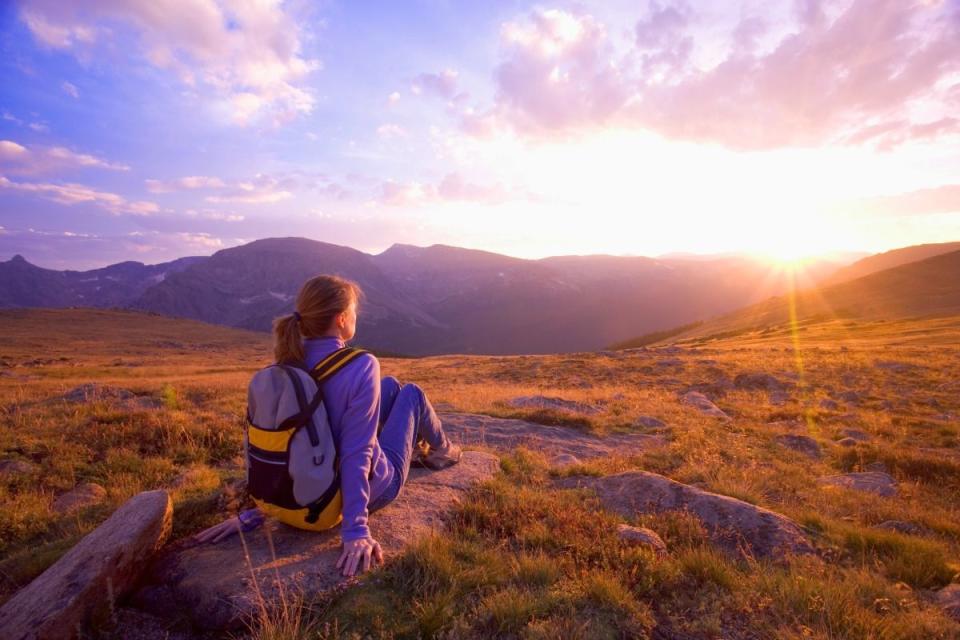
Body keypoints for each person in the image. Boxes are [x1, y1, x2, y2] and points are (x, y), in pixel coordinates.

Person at [194, 274, 462, 578]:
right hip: (348, 497)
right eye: (354, 312)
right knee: (411, 393)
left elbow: (272, 445)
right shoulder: (361, 364)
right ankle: (444, 450)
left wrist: (259, 510)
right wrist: (356, 530)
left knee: (390, 386)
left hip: (296, 493)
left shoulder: (285, 362)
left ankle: (434, 446)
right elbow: (356, 452)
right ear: (342, 319)